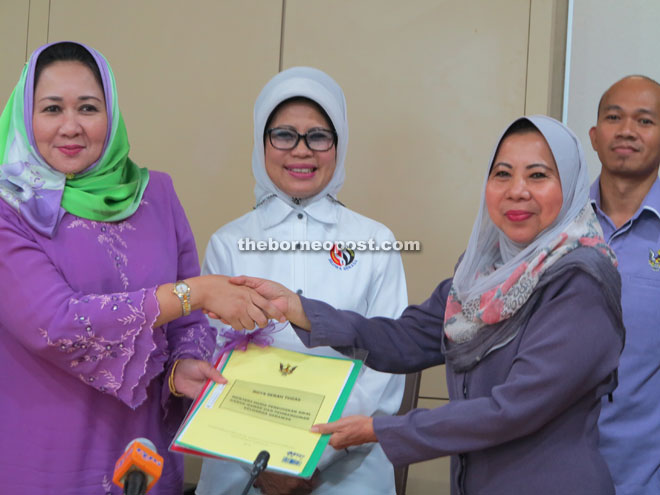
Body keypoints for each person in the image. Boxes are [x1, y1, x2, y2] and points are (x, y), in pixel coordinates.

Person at [231, 115, 626, 494]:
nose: (516, 190)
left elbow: (514, 408)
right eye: (502, 174)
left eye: (538, 175)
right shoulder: (482, 274)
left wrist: (381, 430)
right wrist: (300, 309)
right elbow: (406, 337)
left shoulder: (580, 281)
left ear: (571, 186)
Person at [0, 41, 280, 494]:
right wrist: (197, 292)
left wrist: (182, 365)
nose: (70, 126)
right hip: (42, 461)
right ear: (24, 117)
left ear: (111, 116)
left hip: (142, 454)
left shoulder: (156, 195)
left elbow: (187, 322)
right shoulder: (9, 207)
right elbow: (55, 323)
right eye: (52, 108)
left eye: (88, 107)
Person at [196, 67, 407, 495]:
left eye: (318, 136)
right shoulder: (229, 243)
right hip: (241, 461)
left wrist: (311, 455)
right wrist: (265, 457)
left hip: (348, 461)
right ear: (261, 141)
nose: (301, 151)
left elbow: (385, 364)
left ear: (339, 143)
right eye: (284, 135)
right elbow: (213, 357)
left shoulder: (374, 240)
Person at [589, 75, 660, 494]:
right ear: (596, 136)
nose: (627, 130)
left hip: (643, 475)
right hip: (553, 468)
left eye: (645, 121)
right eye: (614, 117)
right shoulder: (558, 226)